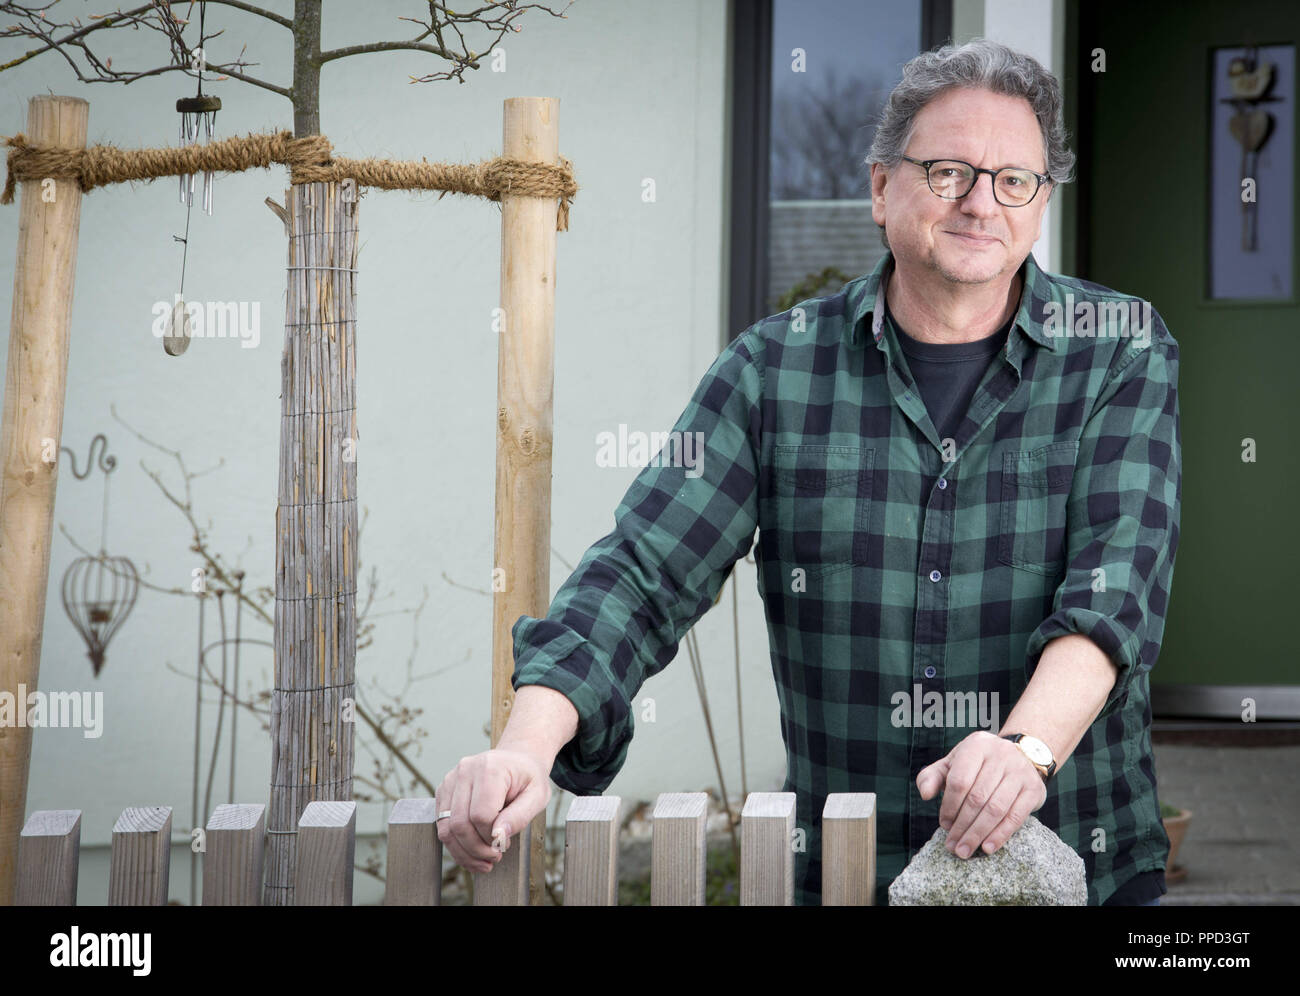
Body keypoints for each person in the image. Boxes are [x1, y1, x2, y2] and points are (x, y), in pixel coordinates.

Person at [435, 38, 1181, 906]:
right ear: (879, 186)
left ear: (1039, 202)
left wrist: (1025, 750)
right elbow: (642, 572)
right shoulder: (772, 370)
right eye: (947, 172)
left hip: (1075, 869)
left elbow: (1115, 589)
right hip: (849, 873)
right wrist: (523, 747)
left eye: (1014, 179)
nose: (982, 203)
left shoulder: (1120, 349)